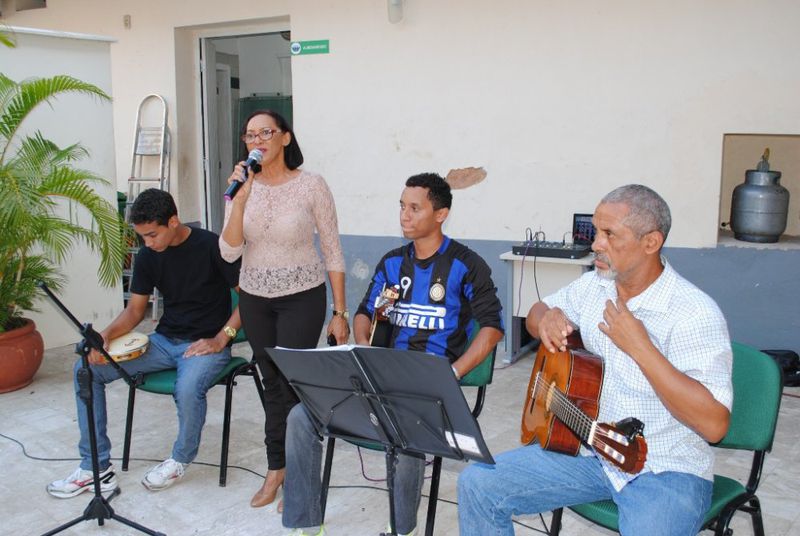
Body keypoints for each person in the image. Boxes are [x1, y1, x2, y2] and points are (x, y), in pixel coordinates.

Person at [457, 184, 734, 536]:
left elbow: (714, 425)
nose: (595, 244)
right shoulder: (594, 287)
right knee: (478, 484)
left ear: (651, 242)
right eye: (596, 231)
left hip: (667, 468)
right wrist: (547, 318)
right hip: (589, 454)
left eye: (609, 234)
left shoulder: (694, 314)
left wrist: (642, 348)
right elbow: (536, 312)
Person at [281, 172, 505, 536]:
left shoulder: (466, 264)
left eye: (415, 208)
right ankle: (304, 523)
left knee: (407, 434)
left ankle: (402, 529)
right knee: (300, 417)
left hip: (428, 389)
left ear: (441, 214)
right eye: (402, 206)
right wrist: (364, 344)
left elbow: (492, 328)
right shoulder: (391, 264)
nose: (404, 215)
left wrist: (455, 374)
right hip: (380, 380)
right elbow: (366, 311)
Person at [47, 188, 242, 498]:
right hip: (164, 341)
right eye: (142, 238)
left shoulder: (211, 245)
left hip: (206, 344)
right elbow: (135, 310)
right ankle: (95, 467)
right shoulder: (150, 255)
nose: (147, 244)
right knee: (86, 370)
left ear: (174, 221)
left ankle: (180, 459)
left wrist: (222, 338)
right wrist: (106, 338)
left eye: (152, 235)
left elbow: (249, 297)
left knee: (188, 388)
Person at [219, 110, 349, 509]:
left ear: (286, 138)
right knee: (269, 382)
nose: (257, 140)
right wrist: (240, 201)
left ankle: (296, 469)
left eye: (266, 133)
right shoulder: (242, 186)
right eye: (250, 134)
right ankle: (276, 466)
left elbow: (332, 250)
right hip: (255, 298)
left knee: (291, 383)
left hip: (302, 297)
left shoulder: (311, 186)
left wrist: (340, 313)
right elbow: (229, 251)